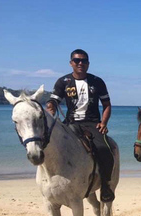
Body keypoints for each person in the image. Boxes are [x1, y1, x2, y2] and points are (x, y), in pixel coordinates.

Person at [46, 49, 115, 202]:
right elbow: (54, 101)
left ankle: (105, 186)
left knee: (105, 150)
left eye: (84, 60)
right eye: (77, 60)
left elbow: (107, 105)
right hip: (70, 123)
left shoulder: (97, 81)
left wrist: (104, 123)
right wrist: (51, 106)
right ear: (71, 63)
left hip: (92, 123)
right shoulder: (63, 82)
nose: (80, 63)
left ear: (88, 64)